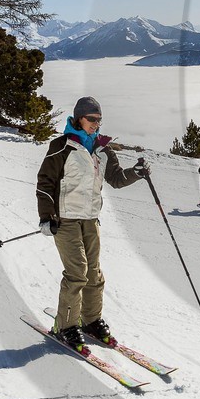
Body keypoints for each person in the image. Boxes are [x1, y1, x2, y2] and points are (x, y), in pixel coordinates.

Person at [35, 95, 149, 349]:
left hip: (91, 220)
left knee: (94, 275)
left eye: (99, 120)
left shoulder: (102, 149)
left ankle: (90, 320)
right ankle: (64, 326)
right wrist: (46, 217)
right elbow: (45, 183)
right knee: (77, 274)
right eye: (92, 119)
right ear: (79, 118)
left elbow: (117, 179)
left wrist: (136, 174)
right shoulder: (62, 146)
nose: (96, 124)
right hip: (65, 220)